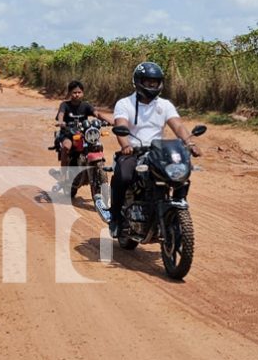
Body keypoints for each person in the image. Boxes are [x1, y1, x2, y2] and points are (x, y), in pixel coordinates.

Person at [109, 62, 202, 237]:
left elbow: (178, 126)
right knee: (124, 176)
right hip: (134, 151)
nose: (152, 86)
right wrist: (126, 145)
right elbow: (120, 126)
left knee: (179, 175)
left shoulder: (165, 105)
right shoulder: (125, 103)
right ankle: (116, 217)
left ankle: (175, 210)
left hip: (157, 152)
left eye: (155, 82)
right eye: (148, 82)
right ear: (138, 82)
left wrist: (190, 143)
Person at [55, 80, 113, 170]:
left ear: (83, 93)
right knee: (66, 147)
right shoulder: (65, 105)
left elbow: (97, 114)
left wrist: (110, 121)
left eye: (79, 92)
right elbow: (61, 114)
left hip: (83, 133)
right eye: (74, 92)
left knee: (96, 145)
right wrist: (61, 122)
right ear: (70, 93)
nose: (77, 94)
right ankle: (63, 173)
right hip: (68, 133)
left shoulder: (86, 105)